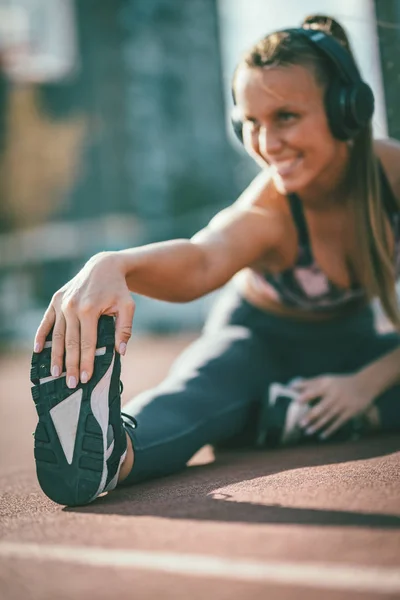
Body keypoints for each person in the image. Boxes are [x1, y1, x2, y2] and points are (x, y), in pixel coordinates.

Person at [31, 15, 400, 507]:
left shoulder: (392, 176)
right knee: (204, 388)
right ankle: (109, 451)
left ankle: (288, 416)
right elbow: (203, 260)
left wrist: (365, 385)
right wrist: (116, 264)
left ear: (346, 110)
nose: (267, 145)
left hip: (356, 348)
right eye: (251, 123)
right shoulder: (269, 210)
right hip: (257, 343)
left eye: (286, 116)